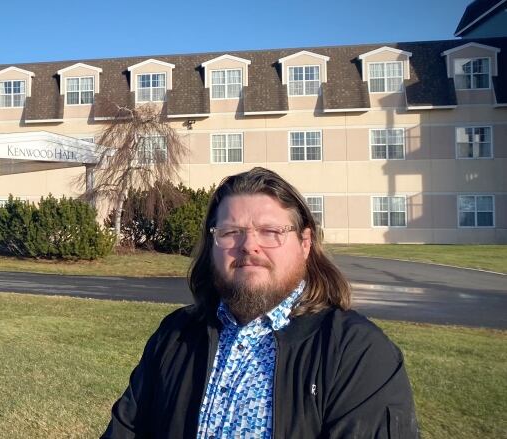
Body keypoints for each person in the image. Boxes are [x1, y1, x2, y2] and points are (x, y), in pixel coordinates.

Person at [103, 167, 418, 438]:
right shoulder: (175, 336)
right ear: (212, 244)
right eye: (231, 232)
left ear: (305, 243)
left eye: (270, 231)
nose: (248, 245)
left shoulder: (357, 352)